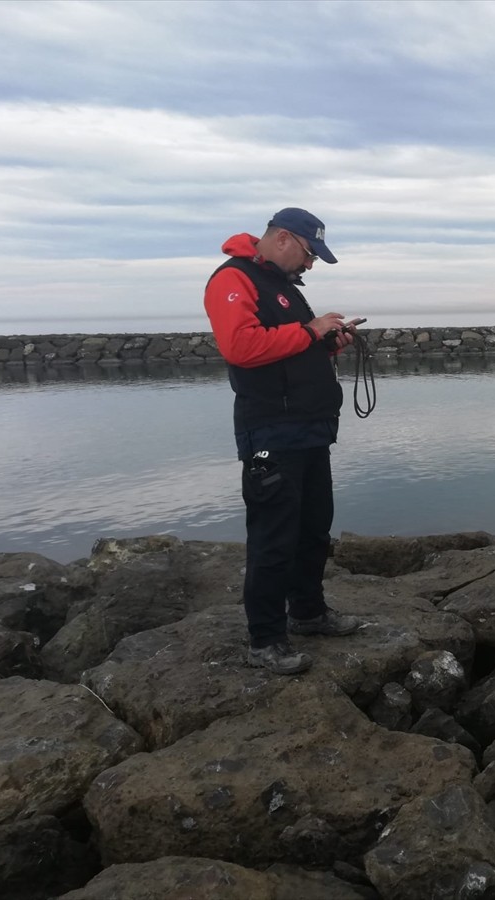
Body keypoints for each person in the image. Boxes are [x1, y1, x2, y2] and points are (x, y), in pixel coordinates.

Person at [204, 207, 364, 675]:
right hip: (272, 431)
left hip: (311, 431)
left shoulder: (282, 286)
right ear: (283, 240)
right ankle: (266, 640)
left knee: (314, 529)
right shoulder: (234, 279)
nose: (311, 265)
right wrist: (310, 330)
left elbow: (289, 344)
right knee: (274, 537)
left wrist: (327, 342)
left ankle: (309, 614)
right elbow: (241, 347)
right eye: (310, 254)